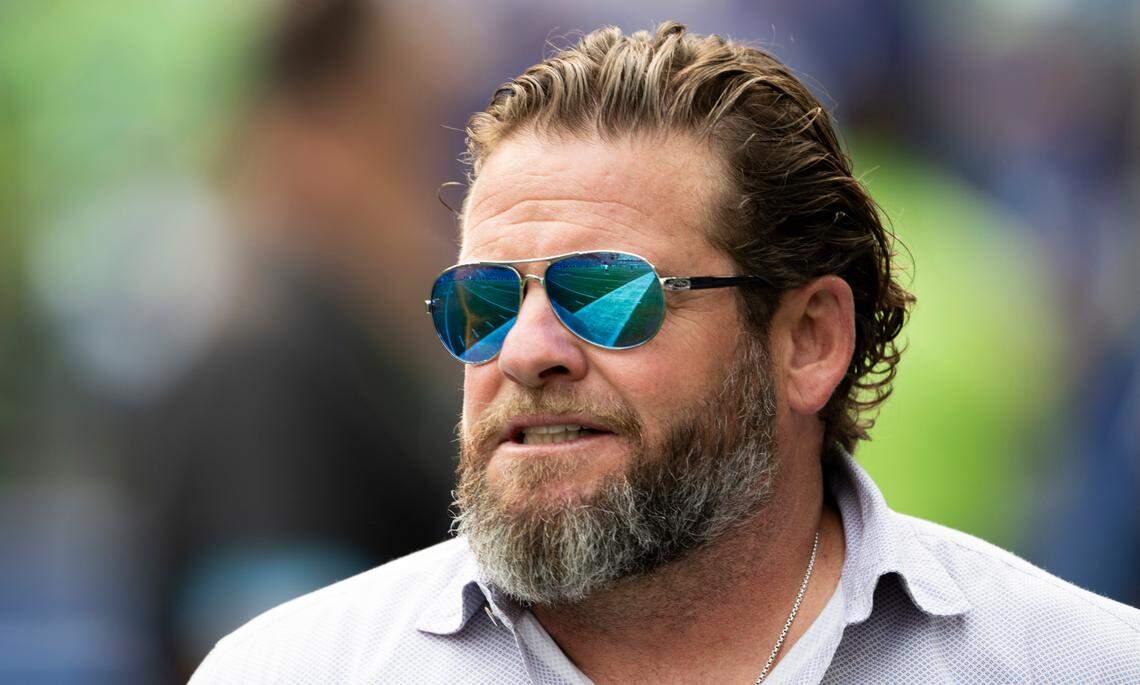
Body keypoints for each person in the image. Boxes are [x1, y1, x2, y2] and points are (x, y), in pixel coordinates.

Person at [190, 22, 1140, 683]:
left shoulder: (1074, 665)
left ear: (809, 340)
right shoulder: (295, 671)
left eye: (605, 294)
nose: (525, 350)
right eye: (481, 301)